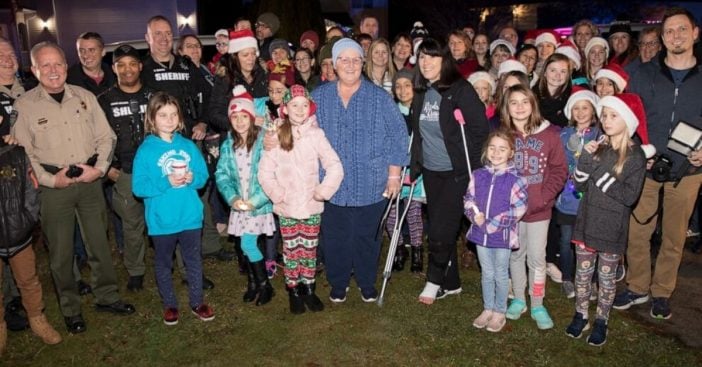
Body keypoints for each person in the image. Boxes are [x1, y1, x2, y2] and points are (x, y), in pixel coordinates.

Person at [12, 42, 135, 334]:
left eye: (58, 64)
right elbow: (24, 154)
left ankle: (107, 296)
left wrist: (101, 168)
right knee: (61, 253)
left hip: (90, 181)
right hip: (54, 188)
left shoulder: (85, 97)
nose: (53, 70)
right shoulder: (25, 106)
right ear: (34, 69)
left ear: (67, 67)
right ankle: (70, 308)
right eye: (46, 65)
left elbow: (106, 137)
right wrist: (50, 180)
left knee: (99, 244)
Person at [615, 7, 702, 320]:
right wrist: (638, 151)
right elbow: (627, 118)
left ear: (695, 33)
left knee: (674, 236)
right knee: (637, 232)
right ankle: (637, 286)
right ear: (662, 38)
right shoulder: (643, 73)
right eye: (669, 31)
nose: (675, 36)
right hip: (647, 168)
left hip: (690, 171)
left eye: (682, 29)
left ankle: (662, 291)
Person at [311, 38, 408, 303]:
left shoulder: (379, 98)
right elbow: (298, 130)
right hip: (331, 184)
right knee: (335, 237)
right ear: (335, 63)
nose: (350, 65)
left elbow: (398, 136)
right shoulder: (318, 97)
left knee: (368, 236)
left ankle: (366, 281)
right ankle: (338, 283)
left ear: (362, 63)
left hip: (371, 180)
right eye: (344, 59)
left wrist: (394, 174)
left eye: (356, 59)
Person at [411, 38, 489, 304]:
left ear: (444, 60)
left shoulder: (460, 90)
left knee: (441, 231)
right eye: (422, 58)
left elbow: (480, 130)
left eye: (432, 57)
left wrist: (475, 170)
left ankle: (433, 280)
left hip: (457, 172)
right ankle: (452, 282)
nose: (426, 63)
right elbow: (418, 135)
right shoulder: (421, 92)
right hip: (432, 172)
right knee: (441, 224)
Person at [566, 93, 647, 346]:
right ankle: (581, 314)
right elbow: (578, 183)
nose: (607, 120)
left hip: (611, 228)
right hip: (586, 222)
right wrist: (585, 159)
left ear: (628, 120)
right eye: (604, 115)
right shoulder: (597, 147)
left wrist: (598, 171)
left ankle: (602, 320)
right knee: (582, 275)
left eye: (614, 115)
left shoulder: (635, 156)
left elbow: (628, 196)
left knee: (606, 278)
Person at [258, 84, 343, 314]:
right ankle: (293, 290)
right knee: (291, 250)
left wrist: (323, 191)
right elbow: (264, 172)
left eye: (304, 105)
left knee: (309, 249)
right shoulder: (276, 134)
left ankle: (309, 288)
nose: (299, 109)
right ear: (285, 108)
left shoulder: (316, 135)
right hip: (286, 206)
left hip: (311, 205)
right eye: (294, 105)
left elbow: (334, 165)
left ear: (310, 108)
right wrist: (277, 194)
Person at [132, 92, 214, 325]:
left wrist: (192, 177)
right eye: (162, 115)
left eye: (173, 114)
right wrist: (165, 181)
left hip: (189, 216)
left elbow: (202, 176)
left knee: (193, 260)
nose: (169, 119)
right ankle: (170, 304)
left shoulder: (187, 145)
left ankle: (197, 301)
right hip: (162, 220)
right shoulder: (146, 150)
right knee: (163, 262)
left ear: (179, 118)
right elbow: (139, 187)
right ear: (152, 118)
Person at [500, 84, 567, 330]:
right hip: (512, 210)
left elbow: (560, 170)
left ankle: (537, 302)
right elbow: (496, 168)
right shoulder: (504, 135)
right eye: (513, 102)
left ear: (533, 105)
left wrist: (544, 198)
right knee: (516, 255)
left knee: (537, 258)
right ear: (507, 107)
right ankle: (519, 298)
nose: (519, 107)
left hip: (540, 210)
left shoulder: (549, 134)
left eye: (524, 102)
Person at [0, 121, 62, 354]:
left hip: (19, 231)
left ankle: (37, 318)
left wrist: (27, 221)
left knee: (28, 279)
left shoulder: (15, 153)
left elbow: (31, 188)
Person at [97, 44, 155, 292]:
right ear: (114, 68)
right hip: (125, 172)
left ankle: (174, 262)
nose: (127, 69)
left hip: (156, 170)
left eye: (132, 63)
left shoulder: (155, 96)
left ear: (140, 66)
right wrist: (108, 168)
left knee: (164, 219)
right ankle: (136, 270)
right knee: (131, 225)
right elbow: (94, 138)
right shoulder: (103, 100)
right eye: (121, 64)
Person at [216, 86, 275, 306]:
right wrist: (232, 198)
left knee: (248, 245)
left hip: (257, 206)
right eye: (235, 117)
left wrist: (255, 201)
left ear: (252, 117)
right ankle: (253, 283)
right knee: (243, 246)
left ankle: (264, 285)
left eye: (244, 116)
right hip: (239, 205)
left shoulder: (262, 143)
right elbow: (222, 174)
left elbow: (269, 175)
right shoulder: (228, 145)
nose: (240, 121)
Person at [464, 129, 528, 333]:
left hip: (502, 236)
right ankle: (487, 308)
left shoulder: (516, 179)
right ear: (486, 150)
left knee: (500, 273)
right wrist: (474, 215)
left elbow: (518, 208)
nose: (496, 152)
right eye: (492, 147)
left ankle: (499, 311)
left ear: (511, 153)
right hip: (481, 236)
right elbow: (468, 199)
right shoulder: (478, 175)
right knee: (487, 272)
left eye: (502, 149)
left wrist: (490, 223)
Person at [555, 88, 601, 299]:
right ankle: (567, 277)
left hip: (592, 200)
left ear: (593, 111)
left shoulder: (601, 135)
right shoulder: (563, 134)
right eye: (576, 109)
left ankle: (591, 280)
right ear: (570, 112)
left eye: (585, 108)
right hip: (568, 198)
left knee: (591, 240)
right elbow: (558, 163)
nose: (581, 113)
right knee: (566, 241)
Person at [386, 69, 426, 272]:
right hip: (395, 169)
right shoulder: (392, 112)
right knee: (392, 212)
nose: (402, 90)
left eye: (407, 85)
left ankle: (418, 250)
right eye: (398, 86)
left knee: (413, 212)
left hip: (416, 170)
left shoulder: (423, 111)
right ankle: (399, 248)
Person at [209, 29, 268, 133]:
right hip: (234, 139)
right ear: (235, 57)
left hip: (262, 136)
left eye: (254, 54)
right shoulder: (225, 78)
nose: (251, 59)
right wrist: (240, 124)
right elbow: (214, 114)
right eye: (245, 55)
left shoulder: (262, 75)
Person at [67, 32, 115, 96]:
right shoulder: (69, 79)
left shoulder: (115, 75)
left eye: (91, 50)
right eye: (82, 51)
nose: (86, 55)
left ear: (103, 52)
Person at [533, 53, 572, 128]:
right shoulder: (532, 96)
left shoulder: (571, 99)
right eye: (553, 70)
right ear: (544, 72)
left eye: (563, 71)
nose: (558, 75)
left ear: (567, 75)